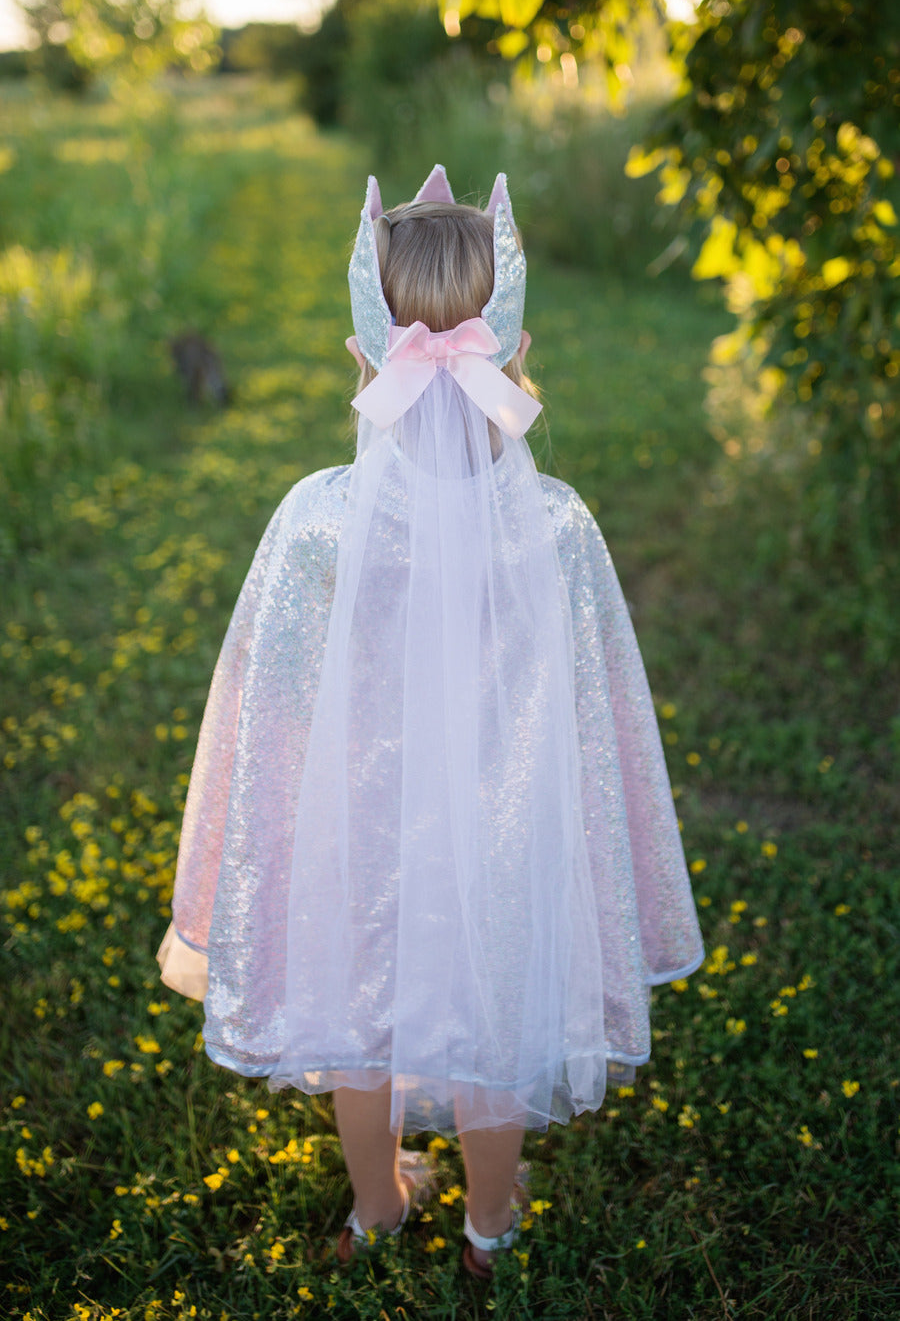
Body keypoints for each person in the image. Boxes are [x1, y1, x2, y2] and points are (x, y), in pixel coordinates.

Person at [157, 166, 704, 1278]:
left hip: (355, 830)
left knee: (361, 1021)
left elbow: (271, 700)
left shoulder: (315, 520)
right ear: (518, 350)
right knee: (494, 1013)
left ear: (361, 357)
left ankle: (377, 1204)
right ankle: (489, 1229)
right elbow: (596, 708)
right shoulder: (555, 525)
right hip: (505, 829)